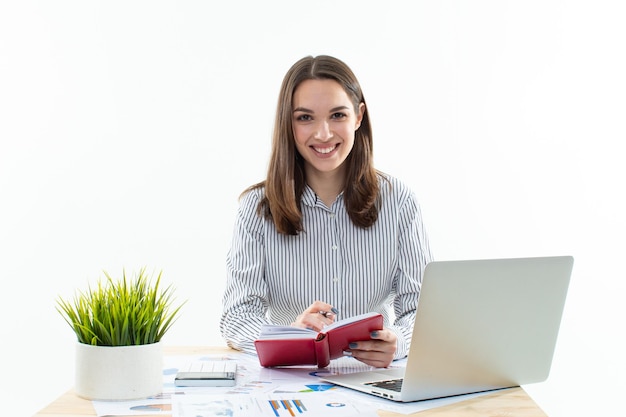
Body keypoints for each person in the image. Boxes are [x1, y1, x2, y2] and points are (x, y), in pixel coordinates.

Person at [220, 55, 432, 368]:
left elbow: (423, 311)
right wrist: (288, 337)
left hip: (373, 377)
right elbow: (236, 317)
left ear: (358, 116)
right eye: (305, 118)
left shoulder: (399, 201)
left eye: (337, 115)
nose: (323, 134)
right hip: (293, 378)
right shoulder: (256, 208)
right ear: (288, 123)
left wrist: (398, 342)